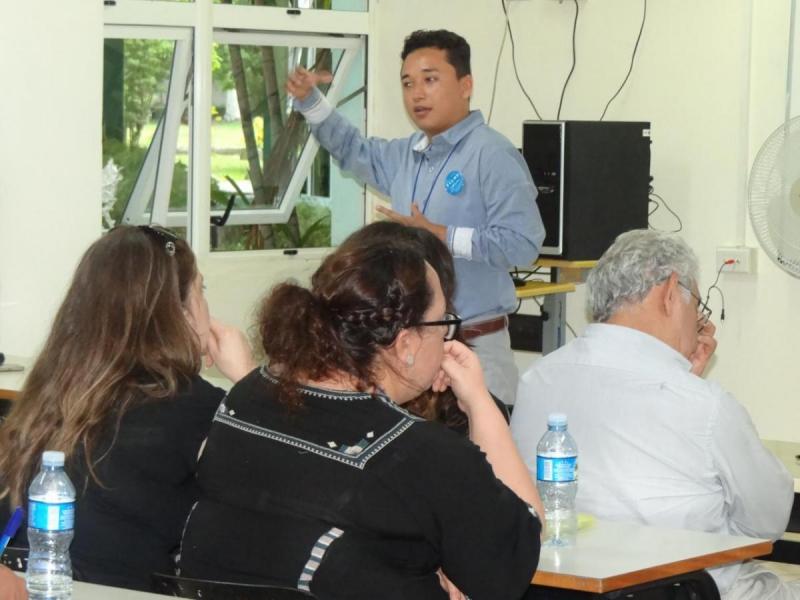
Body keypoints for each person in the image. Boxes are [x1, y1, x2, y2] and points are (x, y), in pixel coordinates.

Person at [179, 222, 543, 600]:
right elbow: (515, 555)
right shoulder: (423, 453)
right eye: (442, 323)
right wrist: (480, 403)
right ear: (405, 344)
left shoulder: (244, 399)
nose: (448, 337)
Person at [510, 229, 796, 600]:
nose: (698, 320)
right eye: (696, 304)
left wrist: (683, 379)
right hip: (684, 592)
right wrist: (690, 387)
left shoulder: (536, 381)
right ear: (670, 291)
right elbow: (765, 524)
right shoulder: (705, 406)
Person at [286, 29, 545, 405]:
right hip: (408, 354)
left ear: (466, 84)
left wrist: (439, 234)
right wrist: (311, 101)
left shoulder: (492, 154)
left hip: (474, 347)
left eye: (430, 80)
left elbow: (524, 244)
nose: (417, 94)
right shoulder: (407, 154)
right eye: (408, 83)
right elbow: (354, 150)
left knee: (482, 460)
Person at [0, 225, 255, 592]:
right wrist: (248, 382)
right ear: (179, 311)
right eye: (200, 289)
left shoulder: (50, 394)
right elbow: (285, 483)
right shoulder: (193, 406)